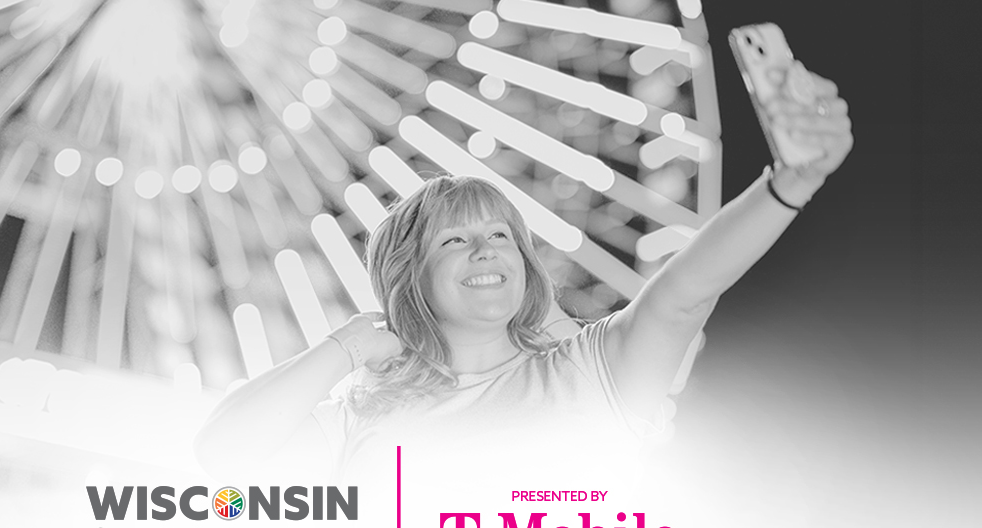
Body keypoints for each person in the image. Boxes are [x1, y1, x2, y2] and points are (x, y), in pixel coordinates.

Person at [195, 71, 852, 484]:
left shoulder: (591, 371)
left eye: (501, 235)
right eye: (455, 239)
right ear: (411, 277)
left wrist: (789, 184)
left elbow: (682, 295)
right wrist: (347, 347)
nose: (486, 251)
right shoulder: (362, 418)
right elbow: (222, 461)